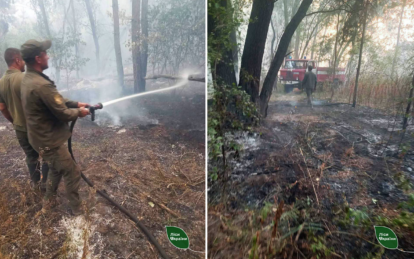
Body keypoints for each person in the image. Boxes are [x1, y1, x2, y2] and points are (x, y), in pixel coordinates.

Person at [20, 39, 90, 215]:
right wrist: (79, 112)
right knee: (72, 172)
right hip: (49, 140)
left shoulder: (29, 78)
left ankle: (47, 204)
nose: (48, 56)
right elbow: (63, 113)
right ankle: (78, 213)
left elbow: (55, 99)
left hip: (38, 138)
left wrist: (76, 103)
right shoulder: (41, 85)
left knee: (54, 169)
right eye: (45, 53)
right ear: (38, 58)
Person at [0, 48, 49, 190]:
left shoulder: (1, 82)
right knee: (47, 155)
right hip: (36, 128)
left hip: (20, 128)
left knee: (31, 157)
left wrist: (14, 121)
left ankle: (36, 185)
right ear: (17, 60)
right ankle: (46, 186)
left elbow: (2, 108)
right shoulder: (25, 79)